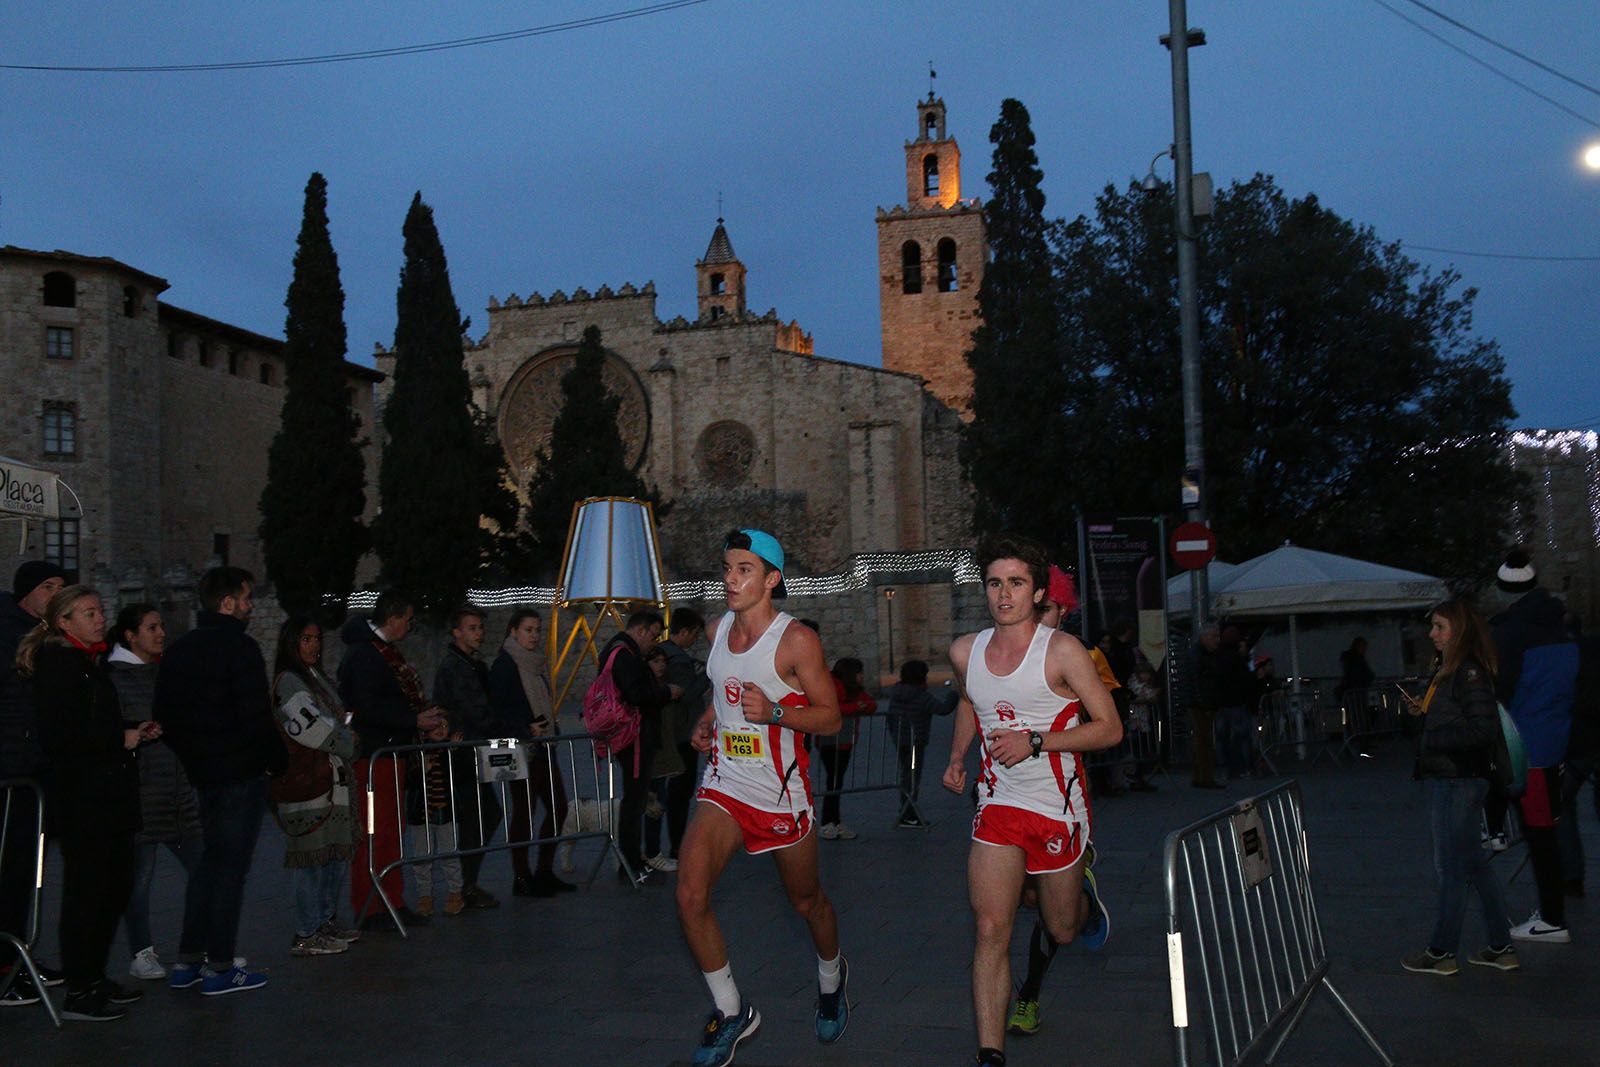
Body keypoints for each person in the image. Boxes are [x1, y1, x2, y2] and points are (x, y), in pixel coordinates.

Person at [942, 535, 1122, 1067]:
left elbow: (1109, 728)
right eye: (995, 583)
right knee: (990, 929)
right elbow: (971, 701)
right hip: (997, 805)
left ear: (1038, 591)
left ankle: (1084, 907)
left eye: (1016, 583)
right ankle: (990, 1055)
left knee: (1060, 928)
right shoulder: (964, 650)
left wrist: (1038, 741)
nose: (1004, 594)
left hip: (1057, 808)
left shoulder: (1063, 653)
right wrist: (957, 757)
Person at [676, 529, 847, 1067]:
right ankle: (732, 1013)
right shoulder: (717, 627)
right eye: (727, 567)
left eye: (744, 569)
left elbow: (831, 717)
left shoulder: (796, 641)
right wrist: (708, 724)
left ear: (772, 578)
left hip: (779, 794)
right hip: (725, 784)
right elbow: (722, 691)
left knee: (806, 901)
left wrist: (774, 712)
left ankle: (832, 976)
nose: (730, 579)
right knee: (689, 894)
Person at [154, 566, 285, 996]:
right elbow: (255, 716)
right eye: (246, 599)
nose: (250, 606)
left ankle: (189, 960)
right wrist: (274, 760)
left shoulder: (179, 650)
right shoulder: (240, 648)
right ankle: (222, 966)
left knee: (208, 868)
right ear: (227, 603)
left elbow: (165, 715)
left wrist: (197, 756)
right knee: (229, 869)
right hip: (239, 774)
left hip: (203, 774)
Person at [21, 585, 150, 1021]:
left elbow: (90, 724)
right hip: (85, 801)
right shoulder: (60, 667)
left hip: (105, 797)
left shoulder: (84, 664)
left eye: (100, 610)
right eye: (90, 612)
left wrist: (131, 729)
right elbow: (63, 736)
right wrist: (121, 738)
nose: (100, 618)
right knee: (89, 895)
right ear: (64, 622)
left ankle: (92, 976)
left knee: (110, 889)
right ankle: (81, 988)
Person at [1399, 598, 1518, 975]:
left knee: (1450, 867)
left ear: (1459, 630)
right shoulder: (1449, 670)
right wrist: (1424, 712)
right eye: (1432, 627)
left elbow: (1483, 728)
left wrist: (1436, 736)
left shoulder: (1468, 672)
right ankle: (1501, 946)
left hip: (1460, 778)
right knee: (1473, 865)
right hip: (1453, 776)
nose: (1432, 634)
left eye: (1440, 627)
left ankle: (1442, 952)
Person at [108, 603, 202, 982]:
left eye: (162, 626)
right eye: (151, 627)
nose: (161, 633)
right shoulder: (114, 676)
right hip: (142, 791)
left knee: (203, 869)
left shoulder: (166, 671)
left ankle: (195, 949)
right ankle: (141, 951)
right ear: (131, 635)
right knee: (139, 880)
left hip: (178, 789)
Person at [1490, 549, 1580, 943]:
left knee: (1540, 834)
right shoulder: (1560, 627)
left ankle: (1552, 920)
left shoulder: (1509, 632)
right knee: (1546, 830)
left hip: (1528, 745)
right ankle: (1551, 912)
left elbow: (1502, 690)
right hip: (1554, 739)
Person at [337, 590, 441, 930]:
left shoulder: (379, 652)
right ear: (393, 618)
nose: (410, 626)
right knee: (375, 832)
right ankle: (370, 906)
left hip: (389, 753)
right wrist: (413, 720)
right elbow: (367, 707)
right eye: (407, 620)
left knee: (391, 831)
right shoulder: (365, 655)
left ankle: (391, 899)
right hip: (373, 756)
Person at [270, 616, 360, 956]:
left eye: (316, 638)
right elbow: (312, 727)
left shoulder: (314, 677)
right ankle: (306, 931)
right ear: (291, 643)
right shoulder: (290, 682)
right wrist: (346, 741)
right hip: (309, 787)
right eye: (306, 638)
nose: (313, 645)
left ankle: (324, 921)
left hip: (330, 783)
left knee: (331, 859)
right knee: (311, 862)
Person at [0, 560, 67, 1005]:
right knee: (10, 873)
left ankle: (17, 958)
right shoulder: (13, 634)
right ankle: (8, 967)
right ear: (26, 594)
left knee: (25, 875)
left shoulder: (40, 635)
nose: (55, 595)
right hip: (12, 775)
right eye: (48, 587)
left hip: (29, 772)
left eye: (61, 587)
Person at [488, 607, 575, 897]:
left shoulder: (534, 665)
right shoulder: (505, 665)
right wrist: (525, 728)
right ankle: (521, 875)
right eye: (528, 630)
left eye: (537, 630)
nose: (534, 636)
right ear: (513, 631)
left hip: (541, 745)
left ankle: (544, 871)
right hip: (516, 747)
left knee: (558, 805)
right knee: (524, 810)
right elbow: (495, 711)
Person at [598, 609, 676, 886]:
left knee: (636, 798)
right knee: (634, 800)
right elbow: (637, 694)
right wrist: (666, 692)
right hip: (632, 737)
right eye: (653, 635)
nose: (654, 642)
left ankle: (632, 859)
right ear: (640, 630)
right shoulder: (624, 655)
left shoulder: (620, 652)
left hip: (630, 736)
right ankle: (630, 863)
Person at [431, 605, 501, 909]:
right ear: (457, 632)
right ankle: (464, 886)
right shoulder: (455, 667)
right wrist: (502, 726)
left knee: (482, 815)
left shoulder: (470, 664)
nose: (479, 633)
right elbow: (474, 710)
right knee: (479, 815)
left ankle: (467, 884)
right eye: (472, 628)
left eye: (480, 628)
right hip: (464, 752)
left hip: (473, 748)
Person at [645, 609, 709, 870]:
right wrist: (707, 676)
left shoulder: (666, 655)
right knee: (679, 792)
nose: (695, 639)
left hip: (670, 734)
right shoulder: (679, 661)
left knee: (667, 791)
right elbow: (688, 694)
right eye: (694, 634)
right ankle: (676, 845)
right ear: (684, 631)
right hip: (682, 734)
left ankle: (663, 846)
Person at [405, 709, 468, 917]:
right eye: (436, 725)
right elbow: (409, 782)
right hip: (420, 815)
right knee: (421, 857)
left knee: (450, 854)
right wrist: (422, 769)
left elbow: (461, 776)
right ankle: (425, 896)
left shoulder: (451, 751)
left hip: (446, 813)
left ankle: (454, 893)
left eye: (445, 726)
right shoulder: (415, 752)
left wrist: (454, 752)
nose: (441, 730)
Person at [885, 660, 958, 827]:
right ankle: (908, 813)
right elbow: (943, 708)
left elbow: (891, 716)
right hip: (915, 742)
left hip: (901, 740)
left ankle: (906, 810)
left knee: (907, 774)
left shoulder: (897, 692)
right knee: (912, 777)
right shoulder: (921, 695)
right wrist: (953, 693)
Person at [1557, 618, 1598, 896]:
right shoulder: (1592, 648)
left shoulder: (1563, 658)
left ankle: (1572, 876)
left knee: (1561, 804)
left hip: (1579, 744)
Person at [817, 657, 876, 840]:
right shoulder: (833, 686)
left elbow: (870, 704)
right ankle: (827, 822)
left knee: (837, 782)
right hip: (829, 740)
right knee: (833, 782)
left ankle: (835, 821)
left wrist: (859, 706)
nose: (862, 677)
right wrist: (854, 707)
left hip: (845, 741)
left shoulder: (854, 689)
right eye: (859, 673)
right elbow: (832, 708)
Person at [1188, 625, 1225, 789]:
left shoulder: (1201, 653)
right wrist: (1204, 702)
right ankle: (1204, 777)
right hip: (1201, 704)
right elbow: (1197, 681)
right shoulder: (1200, 655)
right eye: (1214, 636)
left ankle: (1202, 776)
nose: (1217, 640)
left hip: (1202, 702)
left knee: (1202, 740)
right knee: (1204, 740)